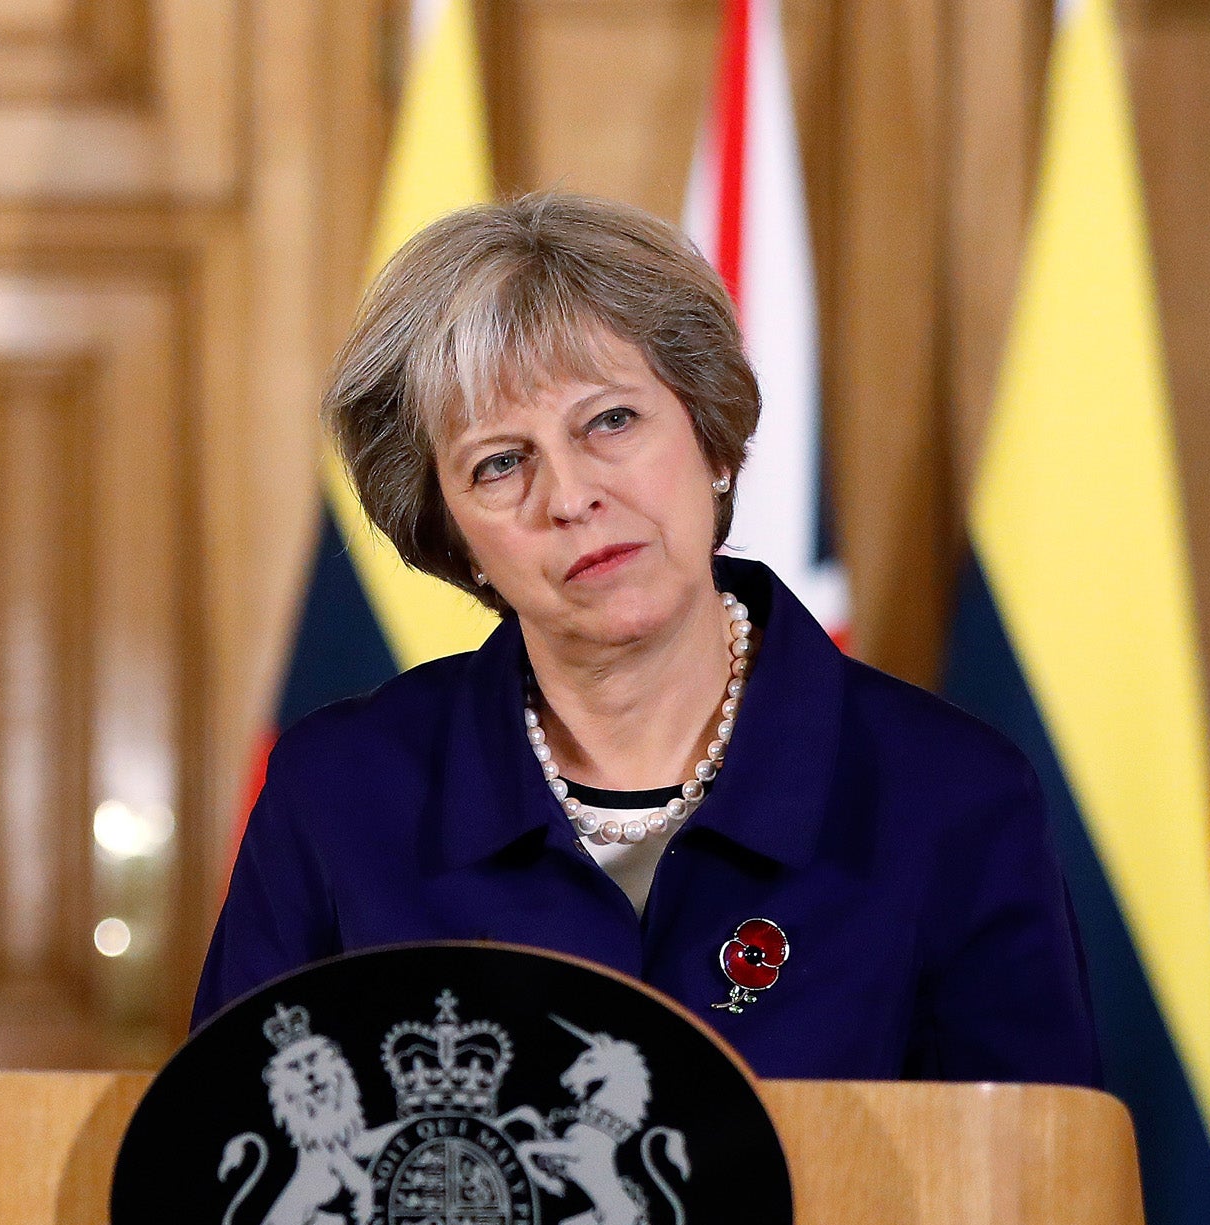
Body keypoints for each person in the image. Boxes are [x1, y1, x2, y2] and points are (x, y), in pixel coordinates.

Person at [192, 193, 1099, 1085]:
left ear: (711, 439)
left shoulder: (951, 798)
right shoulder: (340, 795)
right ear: (453, 535)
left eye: (611, 421)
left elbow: (1025, 1200)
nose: (570, 495)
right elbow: (235, 1176)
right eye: (500, 462)